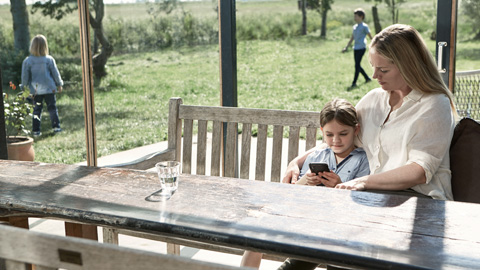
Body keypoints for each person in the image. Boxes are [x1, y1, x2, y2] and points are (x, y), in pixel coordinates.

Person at [279, 24, 457, 270]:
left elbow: (418, 170)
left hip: (421, 202)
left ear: (408, 65)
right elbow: (336, 140)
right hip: (376, 198)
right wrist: (296, 162)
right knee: (333, 223)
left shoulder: (434, 104)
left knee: (337, 222)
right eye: (373, 67)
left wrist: (362, 183)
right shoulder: (374, 100)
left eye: (383, 69)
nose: (375, 76)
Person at [241, 98, 370, 269]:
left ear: (356, 130)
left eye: (343, 134)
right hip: (305, 218)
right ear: (322, 131)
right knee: (256, 234)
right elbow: (292, 194)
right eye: (329, 135)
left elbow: (360, 202)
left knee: (328, 248)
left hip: (336, 226)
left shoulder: (363, 160)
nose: (336, 140)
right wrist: (306, 181)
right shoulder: (319, 155)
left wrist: (338, 186)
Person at [21, 34, 63, 137]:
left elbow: (25, 77)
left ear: (32, 46)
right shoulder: (49, 59)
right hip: (49, 89)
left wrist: (24, 89)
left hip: (34, 90)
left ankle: (36, 131)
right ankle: (56, 127)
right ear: (45, 46)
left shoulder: (28, 61)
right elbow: (55, 74)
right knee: (52, 108)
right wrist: (59, 84)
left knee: (36, 110)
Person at [342, 8, 373, 89]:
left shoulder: (364, 27)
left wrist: (374, 45)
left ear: (361, 16)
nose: (354, 18)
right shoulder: (354, 27)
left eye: (356, 16)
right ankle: (367, 78)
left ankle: (354, 83)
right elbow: (352, 38)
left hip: (362, 47)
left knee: (357, 65)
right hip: (355, 48)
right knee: (357, 65)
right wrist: (346, 47)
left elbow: (370, 36)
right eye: (354, 16)